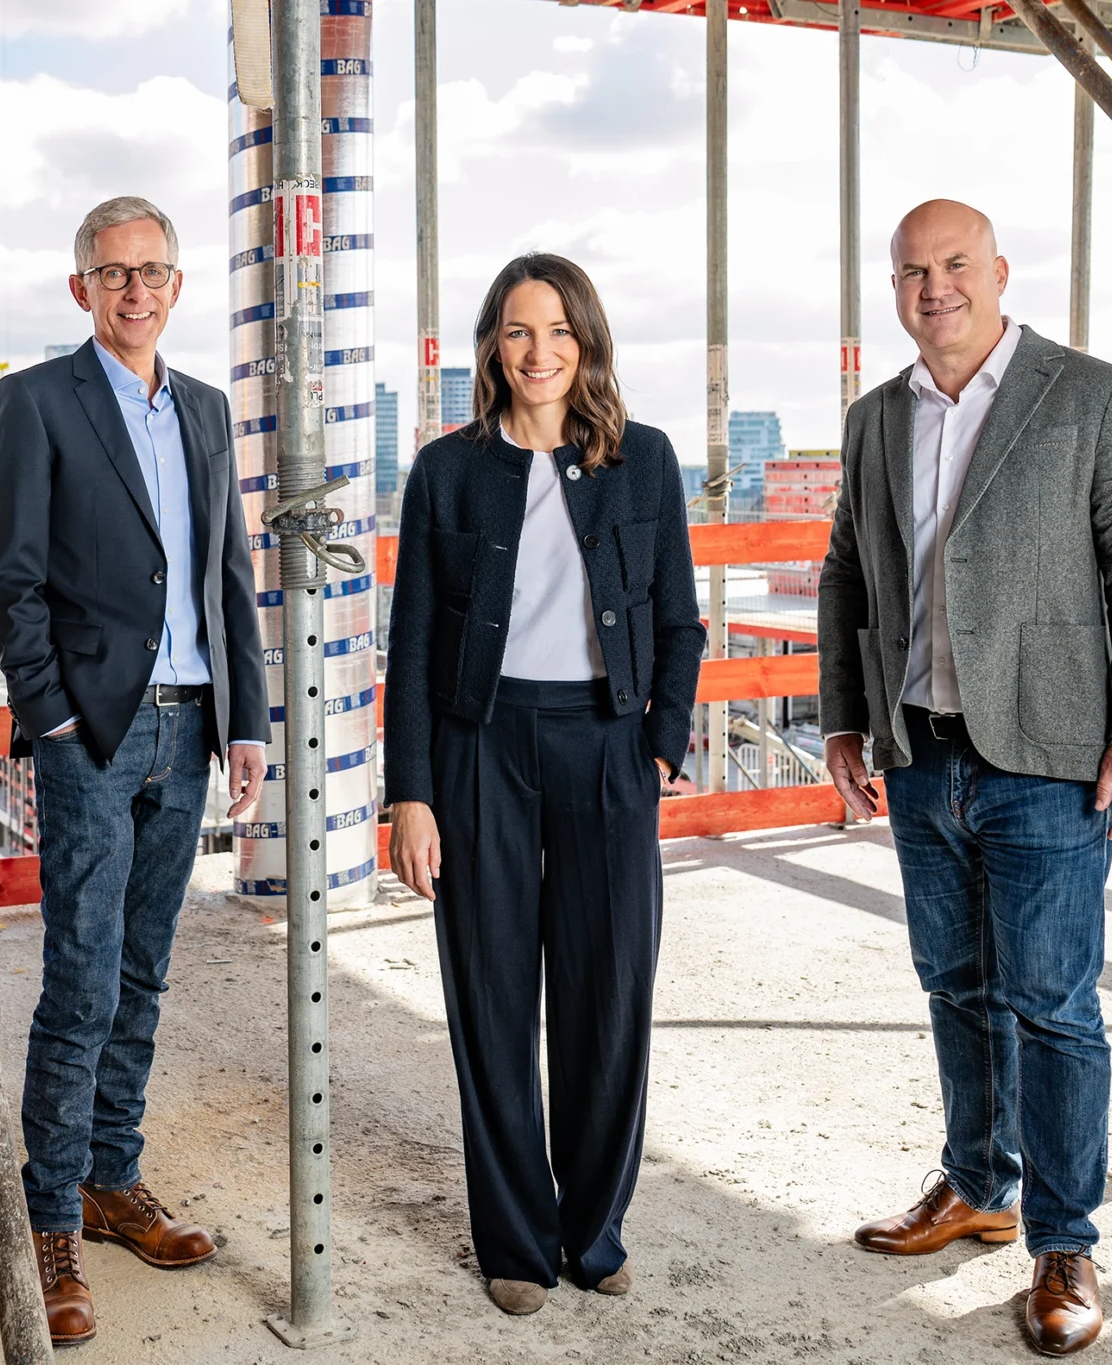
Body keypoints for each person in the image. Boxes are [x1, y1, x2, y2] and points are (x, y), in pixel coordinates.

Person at [816, 200, 1112, 1357]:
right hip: (921, 751)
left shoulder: (1088, 396)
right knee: (954, 985)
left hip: (1048, 751)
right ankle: (976, 1184)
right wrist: (842, 719)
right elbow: (844, 571)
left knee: (1052, 1005)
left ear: (998, 271)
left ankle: (1062, 1243)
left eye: (954, 264)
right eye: (910, 271)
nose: (934, 287)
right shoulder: (875, 419)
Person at [382, 253, 705, 1317]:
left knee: (608, 994)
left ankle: (594, 1229)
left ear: (587, 343)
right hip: (479, 745)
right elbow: (413, 642)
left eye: (560, 330)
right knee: (491, 997)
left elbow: (678, 620)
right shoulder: (446, 470)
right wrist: (411, 792)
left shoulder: (644, 460)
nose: (539, 351)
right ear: (492, 345)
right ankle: (516, 1239)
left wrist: (660, 746)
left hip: (607, 744)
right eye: (519, 331)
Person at [0, 196, 271, 1347]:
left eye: (151, 271)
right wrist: (49, 716)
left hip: (190, 728)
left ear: (177, 286)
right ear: (81, 289)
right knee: (83, 979)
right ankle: (49, 1216)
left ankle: (111, 1179)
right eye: (112, 273)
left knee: (143, 972)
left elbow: (227, 571)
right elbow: (9, 575)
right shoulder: (35, 401)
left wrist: (246, 722)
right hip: (91, 733)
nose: (134, 290)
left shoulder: (204, 409)